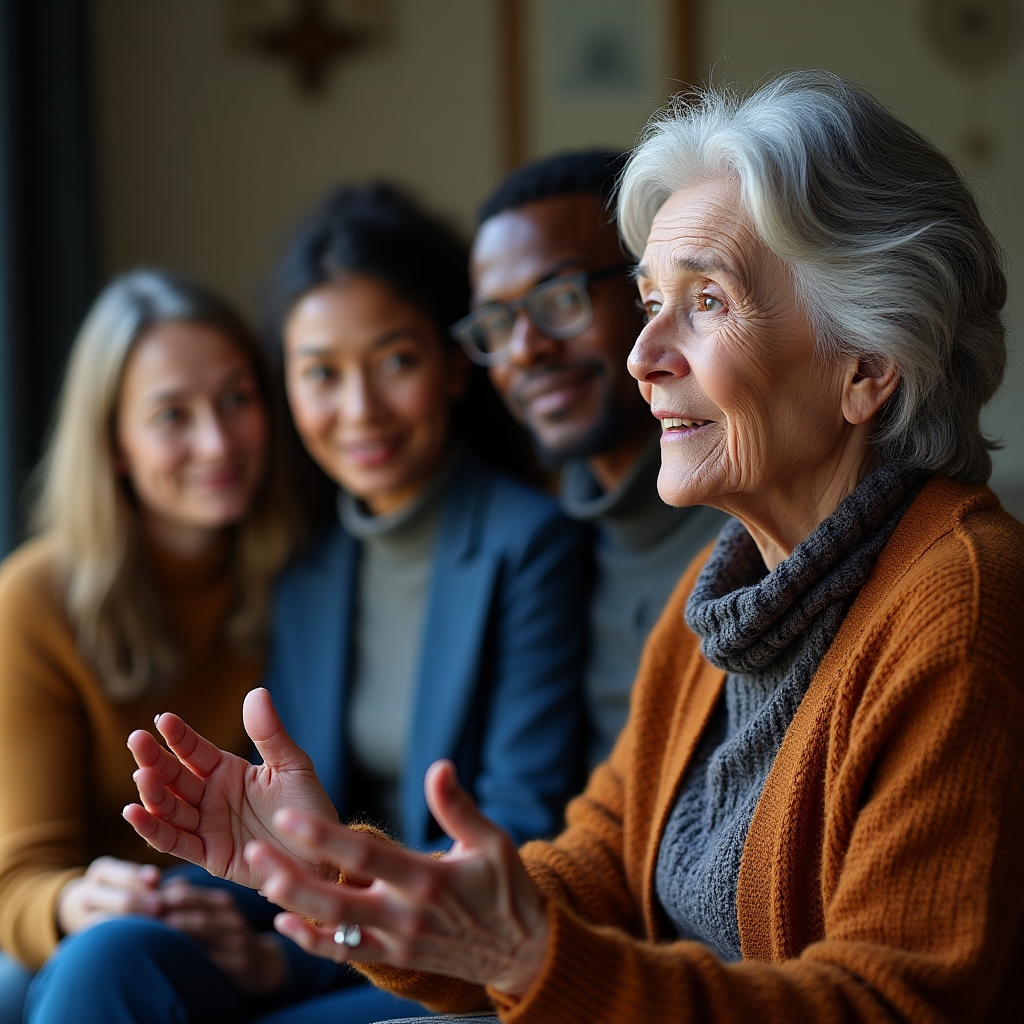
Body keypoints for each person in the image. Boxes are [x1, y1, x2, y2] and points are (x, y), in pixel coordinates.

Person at [124, 71, 1024, 1023]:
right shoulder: (721, 596)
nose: (643, 355)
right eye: (648, 304)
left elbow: (894, 1008)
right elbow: (587, 869)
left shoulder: (961, 613)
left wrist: (528, 959)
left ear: (868, 364)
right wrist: (336, 866)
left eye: (708, 302)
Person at [251, 183, 589, 1023]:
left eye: (395, 360)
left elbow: (518, 822)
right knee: (115, 952)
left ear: (449, 367)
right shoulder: (306, 565)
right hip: (320, 929)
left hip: (451, 956)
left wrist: (285, 960)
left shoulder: (530, 543)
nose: (359, 410)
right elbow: (291, 820)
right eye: (322, 374)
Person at [0, 269, 351, 1024]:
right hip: (120, 922)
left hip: (268, 909)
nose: (217, 442)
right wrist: (72, 900)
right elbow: (17, 875)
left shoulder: (313, 571)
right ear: (114, 445)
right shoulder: (34, 600)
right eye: (171, 416)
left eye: (236, 399)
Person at [453, 152, 726, 768]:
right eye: (497, 323)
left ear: (649, 294)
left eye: (560, 297)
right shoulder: (548, 546)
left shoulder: (752, 522)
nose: (526, 350)